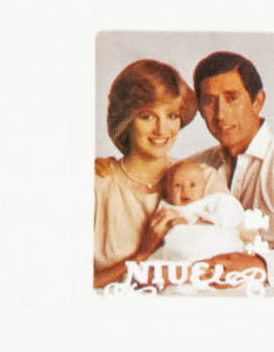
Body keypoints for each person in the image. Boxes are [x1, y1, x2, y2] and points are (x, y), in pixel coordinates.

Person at [92, 58, 215, 288]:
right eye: (147, 116)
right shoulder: (98, 186)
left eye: (172, 116)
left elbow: (233, 264)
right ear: (127, 119)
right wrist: (140, 256)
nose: (161, 130)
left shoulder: (204, 179)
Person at [191, 50, 274, 246]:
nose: (220, 114)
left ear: (257, 102)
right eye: (209, 101)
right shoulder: (194, 167)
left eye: (232, 98)